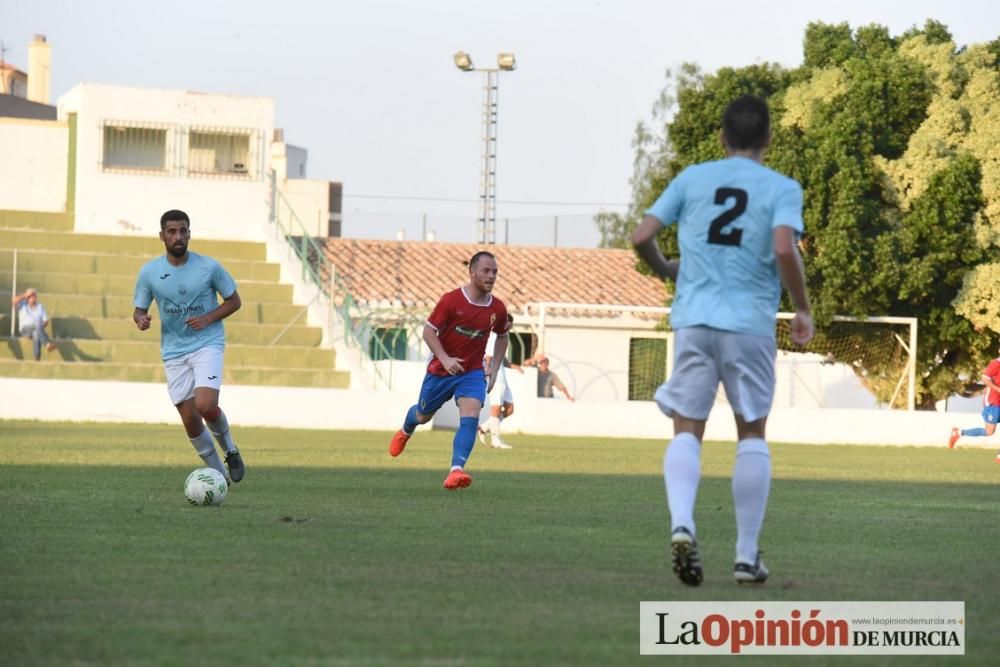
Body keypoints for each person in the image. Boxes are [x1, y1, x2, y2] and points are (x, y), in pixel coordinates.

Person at [631, 94, 814, 587]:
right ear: (769, 139)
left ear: (721, 137)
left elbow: (641, 234)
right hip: (749, 325)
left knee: (687, 429)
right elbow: (782, 246)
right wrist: (801, 306)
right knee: (751, 433)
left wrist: (668, 269)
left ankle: (682, 524)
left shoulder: (693, 178)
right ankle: (746, 555)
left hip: (693, 320)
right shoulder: (781, 187)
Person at [133, 209, 246, 484]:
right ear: (162, 236)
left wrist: (208, 318)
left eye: (183, 230)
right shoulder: (150, 273)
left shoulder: (209, 267)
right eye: (172, 231)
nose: (178, 236)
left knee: (206, 405)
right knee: (190, 420)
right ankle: (218, 476)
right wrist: (141, 319)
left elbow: (234, 301)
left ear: (189, 233)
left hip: (207, 343)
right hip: (174, 351)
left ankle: (230, 450)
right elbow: (138, 309)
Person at [388, 251, 509, 489]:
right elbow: (428, 331)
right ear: (472, 272)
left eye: (494, 271)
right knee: (423, 415)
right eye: (486, 270)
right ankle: (406, 429)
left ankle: (456, 470)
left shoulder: (498, 309)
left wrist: (493, 370)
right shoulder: (451, 301)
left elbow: (503, 336)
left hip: (472, 371)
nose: (491, 276)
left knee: (472, 411)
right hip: (441, 371)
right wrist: (444, 359)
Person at [948, 354, 1000, 462]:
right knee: (989, 432)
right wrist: (997, 389)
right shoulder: (996, 363)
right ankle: (959, 433)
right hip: (993, 401)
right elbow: (985, 379)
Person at [478, 314, 517, 449]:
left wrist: (514, 366)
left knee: (510, 408)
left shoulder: (501, 337)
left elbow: (501, 357)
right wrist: (488, 372)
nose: (510, 328)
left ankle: (483, 427)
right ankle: (495, 440)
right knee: (496, 407)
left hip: (503, 377)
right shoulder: (493, 335)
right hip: (496, 376)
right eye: (509, 325)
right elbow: (488, 356)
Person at [11, 287, 58, 361]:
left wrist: (39, 329)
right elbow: (13, 302)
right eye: (30, 296)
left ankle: (37, 357)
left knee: (36, 332)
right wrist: (25, 295)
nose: (33, 297)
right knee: (37, 323)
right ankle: (47, 344)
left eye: (34, 295)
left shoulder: (40, 307)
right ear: (27, 297)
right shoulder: (23, 305)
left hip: (36, 329)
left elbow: (46, 321)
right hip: (25, 329)